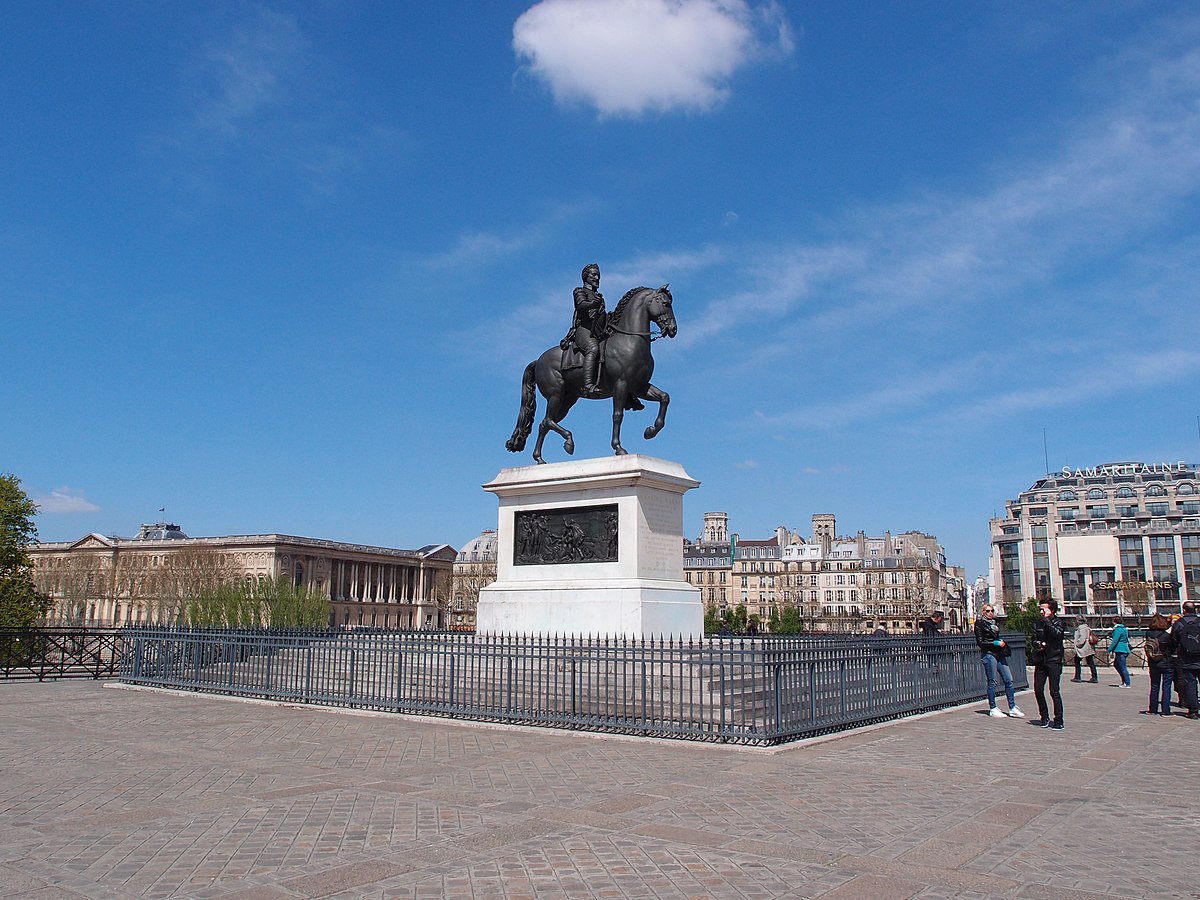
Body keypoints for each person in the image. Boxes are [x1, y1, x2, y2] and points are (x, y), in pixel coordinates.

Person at [559, 263, 607, 395]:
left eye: (598, 275)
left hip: (598, 332)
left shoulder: (599, 297)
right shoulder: (580, 291)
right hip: (584, 330)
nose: (597, 278)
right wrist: (593, 304)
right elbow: (581, 306)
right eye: (593, 275)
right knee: (593, 348)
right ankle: (588, 385)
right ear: (586, 276)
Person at [974, 603, 1024, 718]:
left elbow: (995, 636)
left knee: (1009, 679)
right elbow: (980, 642)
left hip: (999, 653)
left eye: (992, 611)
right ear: (983, 612)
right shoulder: (980, 624)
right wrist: (994, 643)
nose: (990, 613)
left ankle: (1012, 707)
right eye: (987, 611)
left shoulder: (995, 622)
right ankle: (993, 707)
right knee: (992, 681)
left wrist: (1000, 642)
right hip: (989, 654)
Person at [1031, 598, 1066, 730]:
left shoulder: (1058, 622)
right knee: (1038, 690)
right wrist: (1038, 644)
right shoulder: (1038, 623)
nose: (1041, 612)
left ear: (1051, 610)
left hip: (1054, 660)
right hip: (1041, 660)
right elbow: (1034, 638)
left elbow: (1057, 634)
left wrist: (1047, 621)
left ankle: (1058, 719)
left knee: (1054, 691)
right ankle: (1044, 716)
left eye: (1043, 609)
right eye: (1040, 609)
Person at [1169, 600, 1200, 719]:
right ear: (1195, 610)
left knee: (1190, 684)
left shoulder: (1179, 623)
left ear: (1184, 610)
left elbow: (1173, 640)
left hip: (1186, 659)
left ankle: (1193, 711)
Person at [1141, 613, 1174, 717]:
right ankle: (1165, 710)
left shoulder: (1148, 634)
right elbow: (1172, 647)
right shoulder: (1166, 635)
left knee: (1154, 686)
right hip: (1166, 662)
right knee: (1166, 686)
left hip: (1153, 662)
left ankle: (1152, 709)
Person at [1071, 616, 1099, 683]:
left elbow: (1082, 638)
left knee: (1077, 661)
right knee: (1090, 661)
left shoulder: (1081, 627)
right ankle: (1094, 677)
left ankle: (1077, 676)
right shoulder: (1087, 627)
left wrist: (1078, 644)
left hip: (1083, 648)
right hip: (1088, 647)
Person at [1108, 615, 1132, 688]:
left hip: (1120, 649)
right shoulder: (1124, 629)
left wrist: (1109, 649)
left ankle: (1126, 682)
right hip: (1125, 648)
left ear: (1114, 622)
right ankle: (1124, 681)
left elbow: (1115, 640)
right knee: (1117, 664)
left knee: (1122, 666)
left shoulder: (1118, 629)